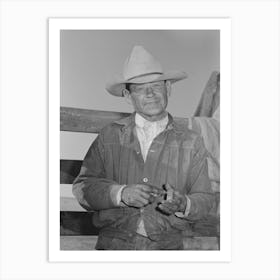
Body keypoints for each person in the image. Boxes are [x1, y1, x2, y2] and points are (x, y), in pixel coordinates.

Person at [73, 45, 214, 250]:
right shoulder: (109, 135)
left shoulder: (192, 141)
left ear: (168, 89)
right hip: (114, 245)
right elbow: (82, 187)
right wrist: (120, 193)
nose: (150, 94)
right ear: (128, 96)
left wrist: (183, 204)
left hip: (168, 247)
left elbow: (206, 199)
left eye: (156, 86)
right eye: (140, 88)